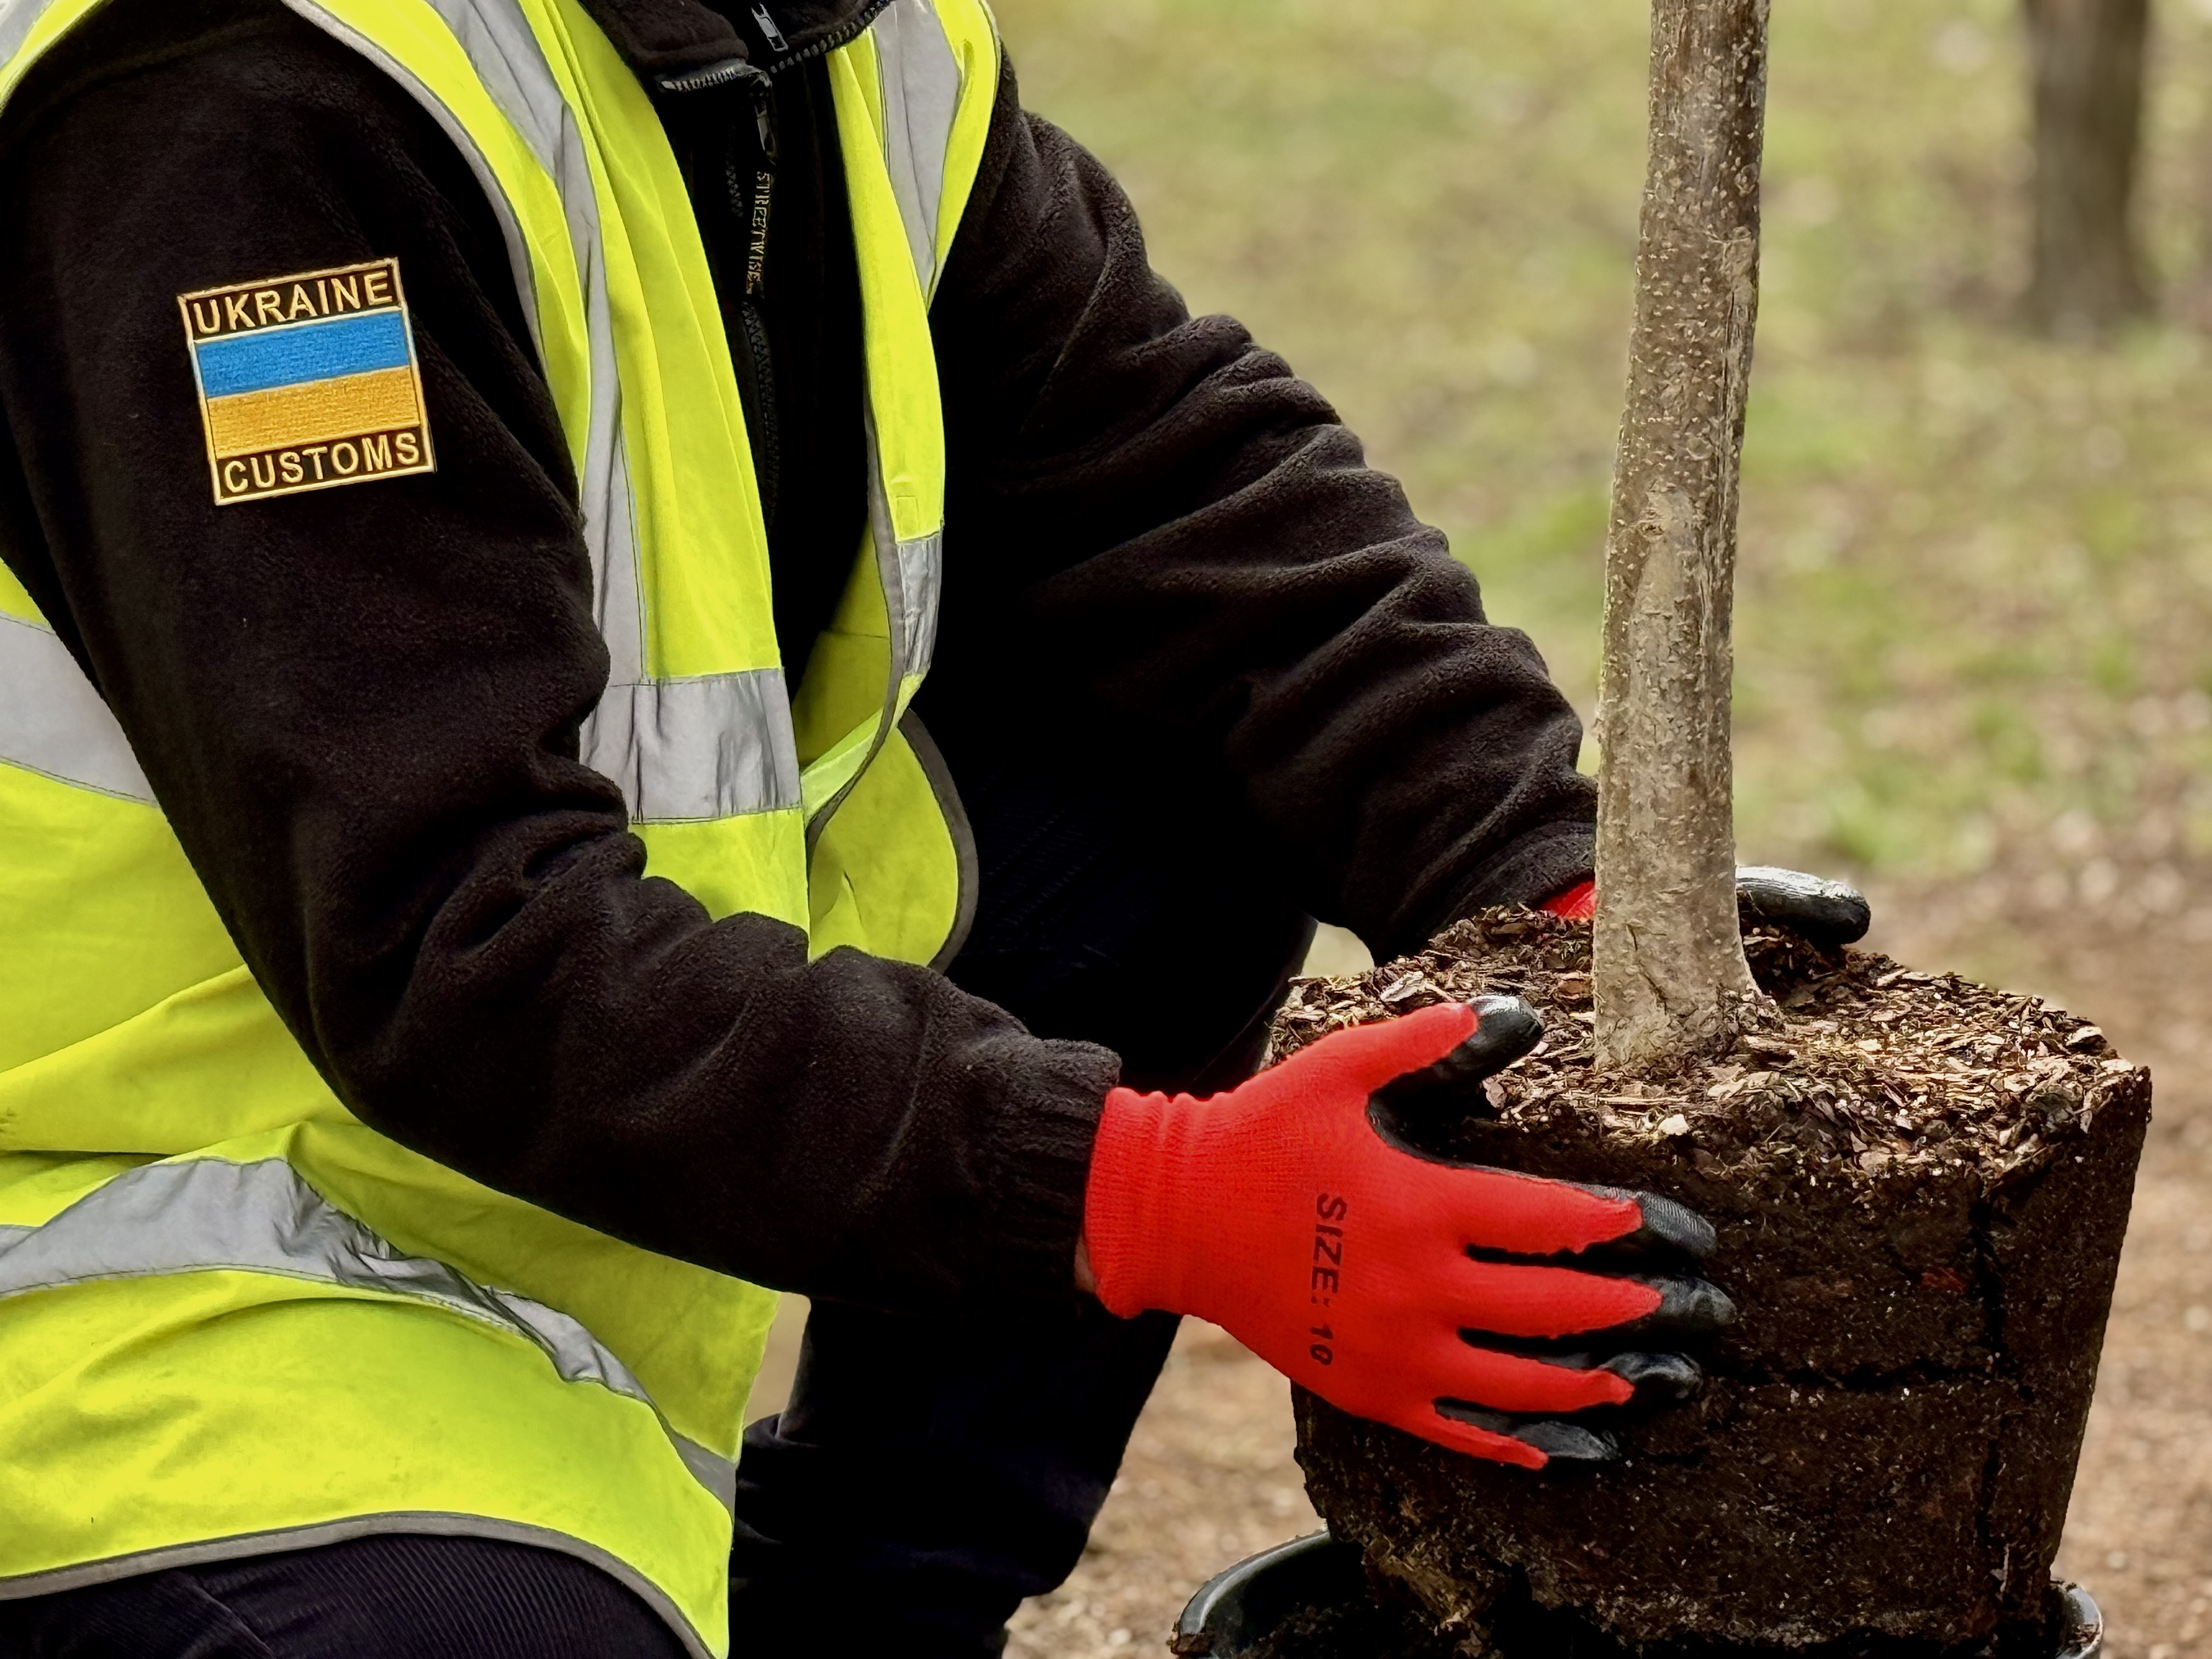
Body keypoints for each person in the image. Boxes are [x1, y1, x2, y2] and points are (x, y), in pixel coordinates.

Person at [0, 0, 1856, 1653]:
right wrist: (1147, 1195)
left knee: (1186, 767)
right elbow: (455, 935)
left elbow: (1171, 476)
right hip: (131, 1274)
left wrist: (1556, 884)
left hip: (512, 1151)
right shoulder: (242, 114)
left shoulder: (818, 36)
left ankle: (855, 1617)